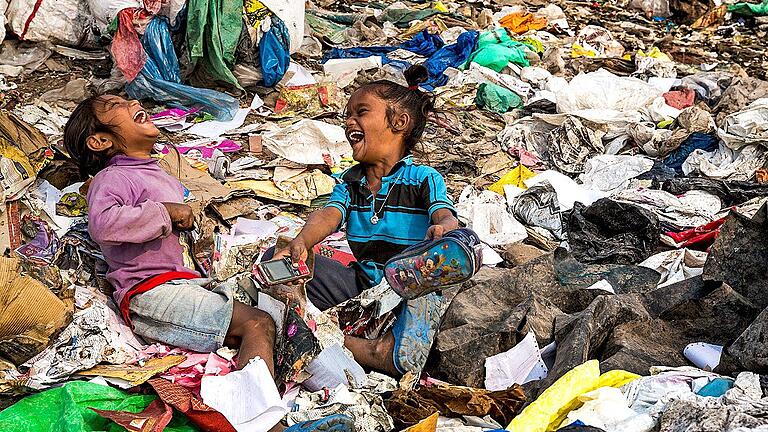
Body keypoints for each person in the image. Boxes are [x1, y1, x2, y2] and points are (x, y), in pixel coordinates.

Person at [270, 64, 460, 376]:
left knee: (443, 264)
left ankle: (372, 348)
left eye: (361, 112)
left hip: (408, 286)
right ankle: (347, 341)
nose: (349, 122)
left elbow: (444, 215)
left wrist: (444, 228)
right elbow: (329, 216)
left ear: (398, 122)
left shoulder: (423, 178)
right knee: (278, 262)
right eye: (347, 114)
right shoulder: (349, 184)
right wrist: (303, 241)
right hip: (362, 289)